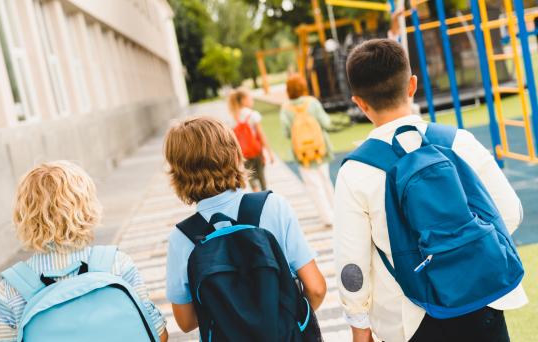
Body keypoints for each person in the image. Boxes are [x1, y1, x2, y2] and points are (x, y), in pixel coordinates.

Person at [333, 39, 527, 342]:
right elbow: (510, 213)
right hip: (480, 300)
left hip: (409, 318)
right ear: (412, 85)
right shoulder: (459, 142)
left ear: (359, 102)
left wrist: (359, 328)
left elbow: (352, 264)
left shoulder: (355, 172)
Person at [164, 117, 326, 334]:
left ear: (178, 172)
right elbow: (316, 288)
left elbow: (186, 321)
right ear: (235, 154)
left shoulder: (182, 237)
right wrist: (287, 323)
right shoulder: (273, 206)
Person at [0, 161, 168, 342]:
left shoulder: (11, 289)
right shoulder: (117, 264)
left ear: (23, 216)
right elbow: (158, 333)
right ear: (87, 208)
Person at [280, 74, 336, 228]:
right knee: (325, 180)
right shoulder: (312, 102)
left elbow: (286, 133)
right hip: (320, 149)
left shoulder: (285, 109)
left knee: (314, 186)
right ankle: (337, 212)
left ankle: (327, 218)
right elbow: (325, 122)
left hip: (302, 154)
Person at [228, 88, 274, 191]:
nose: (252, 101)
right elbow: (261, 135)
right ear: (244, 100)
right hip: (256, 151)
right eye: (250, 99)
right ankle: (265, 195)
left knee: (251, 178)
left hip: (244, 154)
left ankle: (256, 193)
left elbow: (233, 140)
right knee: (261, 176)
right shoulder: (253, 115)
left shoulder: (234, 117)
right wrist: (269, 152)